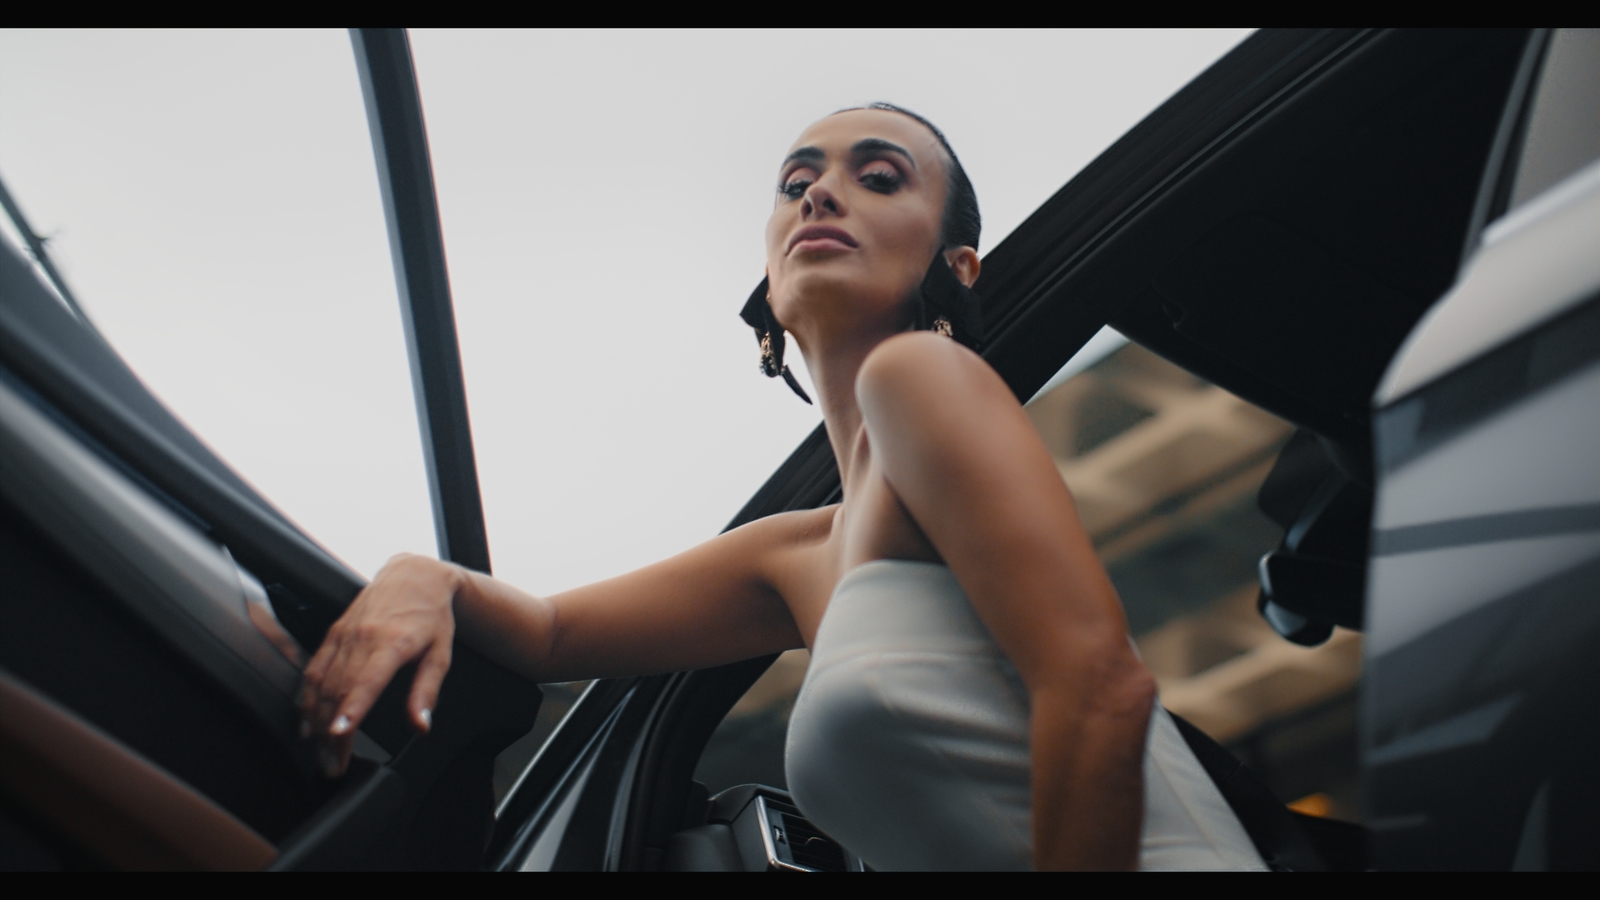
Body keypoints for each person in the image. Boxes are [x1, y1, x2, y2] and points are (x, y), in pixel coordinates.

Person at [299, 103, 1265, 871]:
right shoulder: (794, 554)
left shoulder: (917, 378)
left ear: (955, 267)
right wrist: (422, 578)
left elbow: (1098, 686)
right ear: (767, 283)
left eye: (876, 177)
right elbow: (549, 635)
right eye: (796, 183)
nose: (821, 196)